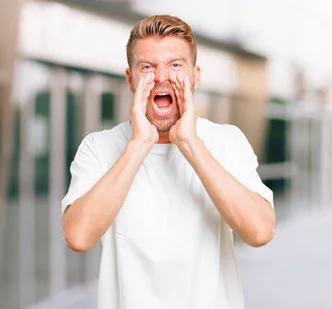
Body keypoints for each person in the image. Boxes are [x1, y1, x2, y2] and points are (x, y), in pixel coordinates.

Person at [60, 15, 275, 309]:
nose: (161, 77)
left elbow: (260, 231)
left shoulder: (226, 141)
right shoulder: (99, 147)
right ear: (130, 79)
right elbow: (78, 237)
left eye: (175, 65)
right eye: (147, 67)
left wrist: (190, 144)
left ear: (195, 76)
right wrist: (139, 144)